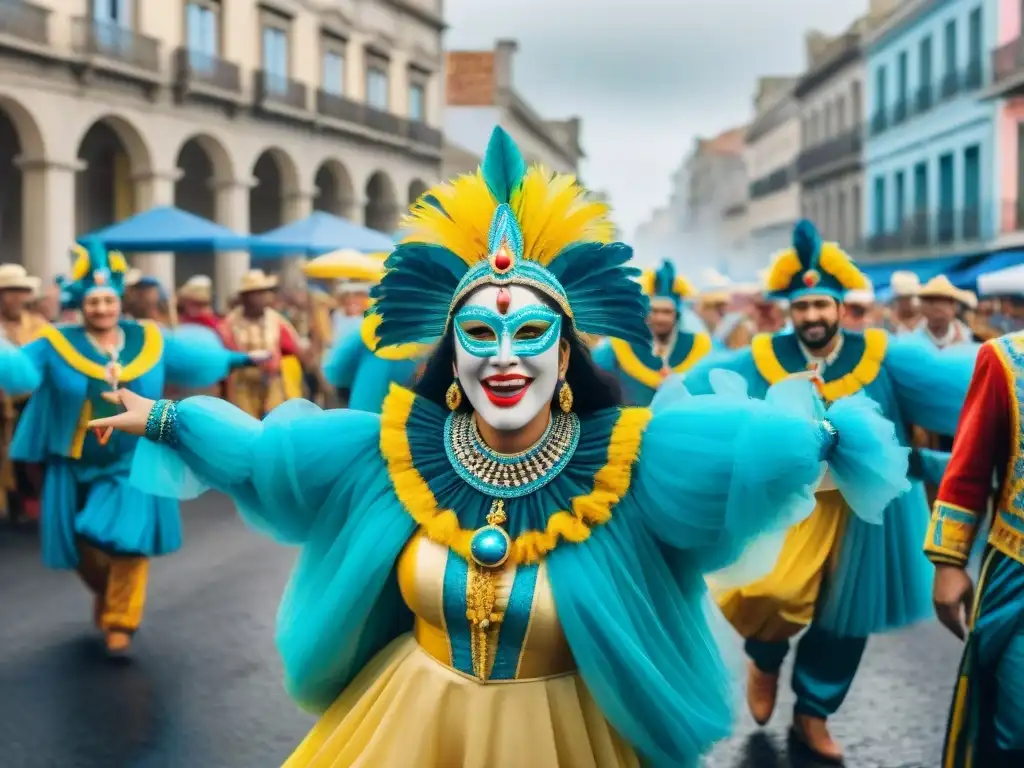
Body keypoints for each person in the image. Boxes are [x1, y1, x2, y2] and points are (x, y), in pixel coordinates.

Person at [89, 127, 909, 767]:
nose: (505, 355)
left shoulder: (629, 460)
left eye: (530, 333)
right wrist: (166, 420)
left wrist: (826, 439)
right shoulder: (394, 455)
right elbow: (270, 457)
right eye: (480, 332)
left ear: (564, 355)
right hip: (411, 724)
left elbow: (736, 458)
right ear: (451, 356)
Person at [682, 219, 978, 763]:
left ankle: (814, 712)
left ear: (841, 306)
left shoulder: (884, 354)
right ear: (789, 310)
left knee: (847, 621)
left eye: (822, 305)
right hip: (788, 508)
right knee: (768, 593)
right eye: (803, 307)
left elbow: (963, 390)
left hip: (865, 514)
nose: (813, 316)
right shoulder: (763, 357)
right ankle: (764, 655)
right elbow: (707, 399)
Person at [0, 241, 266, 655]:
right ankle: (110, 597)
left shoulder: (148, 338)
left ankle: (121, 621)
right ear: (80, 305)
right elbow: (18, 372)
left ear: (119, 302)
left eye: (109, 300)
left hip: (133, 460)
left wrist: (243, 359)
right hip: (73, 463)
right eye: (94, 301)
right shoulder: (55, 342)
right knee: (80, 545)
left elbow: (193, 362)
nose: (102, 308)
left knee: (127, 538)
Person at [927, 326, 1024, 766]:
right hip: (1019, 569)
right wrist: (949, 560)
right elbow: (970, 465)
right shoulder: (1005, 359)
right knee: (1015, 723)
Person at [591, 260, 712, 405]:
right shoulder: (621, 345)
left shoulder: (696, 346)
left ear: (677, 314)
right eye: (654, 311)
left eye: (667, 312)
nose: (660, 318)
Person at [218, 269, 305, 418]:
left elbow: (293, 349)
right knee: (245, 425)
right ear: (244, 297)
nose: (261, 298)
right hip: (242, 385)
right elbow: (223, 356)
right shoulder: (229, 324)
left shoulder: (277, 321)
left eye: (263, 293)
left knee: (274, 423)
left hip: (272, 384)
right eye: (255, 294)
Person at [0, 264, 45, 525]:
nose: (18, 297)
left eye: (22, 291)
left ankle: (31, 501)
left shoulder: (38, 326)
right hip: (3, 406)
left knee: (31, 456)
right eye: (11, 291)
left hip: (31, 403)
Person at [917, 275, 975, 349]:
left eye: (944, 303)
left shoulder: (965, 335)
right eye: (931, 301)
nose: (938, 307)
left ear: (955, 307)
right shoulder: (914, 336)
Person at [883, 270, 923, 334]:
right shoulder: (888, 320)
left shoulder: (926, 318)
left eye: (909, 297)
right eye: (903, 298)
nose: (907, 302)